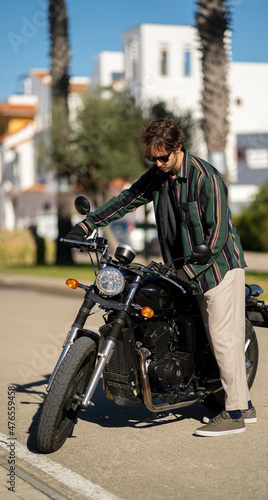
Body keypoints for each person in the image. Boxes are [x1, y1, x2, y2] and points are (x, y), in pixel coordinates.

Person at [66, 118, 256, 436]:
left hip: (216, 268)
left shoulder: (206, 177)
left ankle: (237, 411)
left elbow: (219, 232)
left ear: (178, 148)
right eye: (152, 158)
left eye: (162, 157)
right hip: (180, 269)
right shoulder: (158, 175)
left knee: (223, 339)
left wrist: (191, 270)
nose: (157, 163)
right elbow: (128, 198)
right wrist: (89, 224)